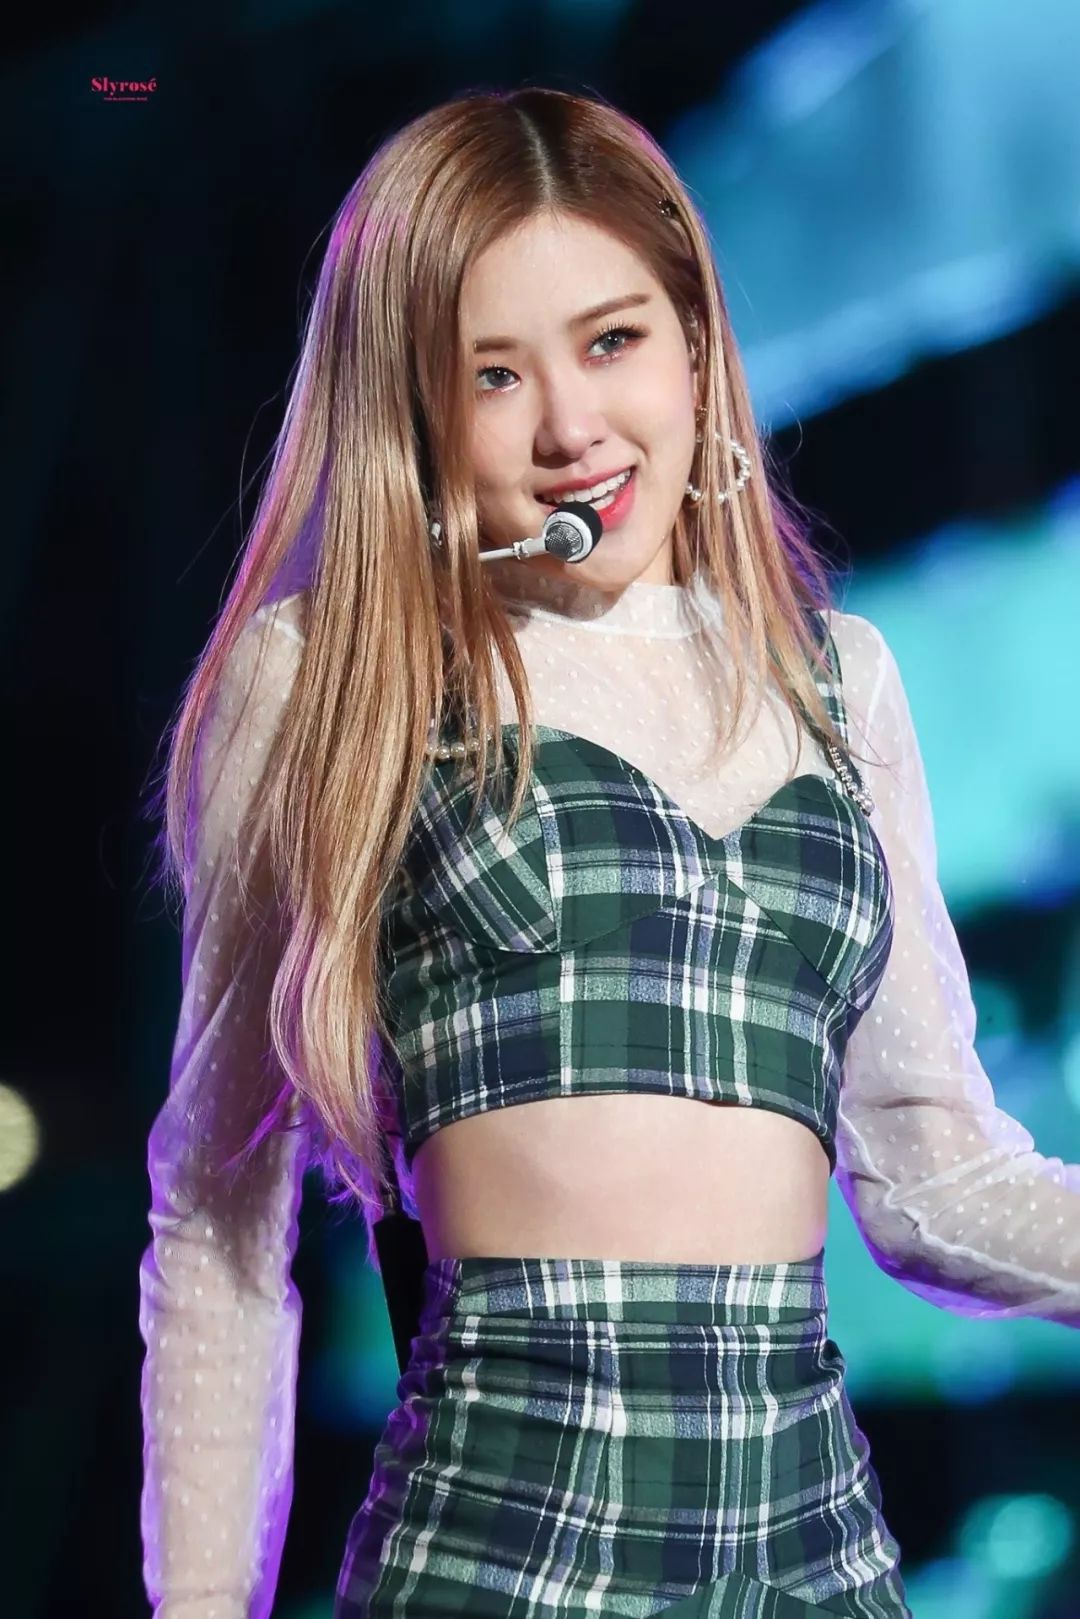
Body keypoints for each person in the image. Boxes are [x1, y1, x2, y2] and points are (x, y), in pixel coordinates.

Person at [138, 85, 1080, 1619]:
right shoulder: (331, 680)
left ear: (696, 345)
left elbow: (939, 1187)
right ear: (416, 411)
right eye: (495, 373)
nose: (571, 427)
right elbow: (218, 1217)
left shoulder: (837, 684)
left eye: (613, 341)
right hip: (502, 1561)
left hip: (814, 1568)